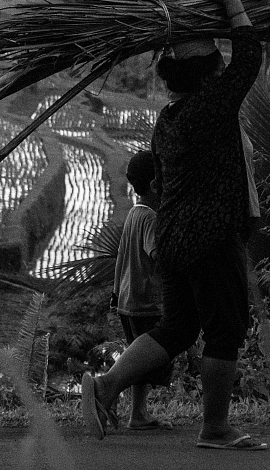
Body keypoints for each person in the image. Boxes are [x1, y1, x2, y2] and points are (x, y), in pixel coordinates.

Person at [81, 0, 268, 452]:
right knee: (225, 329)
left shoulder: (169, 120)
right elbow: (250, 58)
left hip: (174, 239)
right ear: (208, 71)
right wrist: (232, 3)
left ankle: (106, 386)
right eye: (216, 62)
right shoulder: (210, 109)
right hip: (209, 236)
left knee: (179, 327)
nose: (223, 66)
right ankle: (215, 428)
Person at [111, 149, 172, 431]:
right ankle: (108, 394)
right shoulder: (150, 219)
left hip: (126, 299)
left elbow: (122, 257)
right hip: (145, 302)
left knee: (138, 360)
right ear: (157, 185)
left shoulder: (135, 215)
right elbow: (156, 254)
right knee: (146, 359)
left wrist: (115, 293)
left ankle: (138, 413)